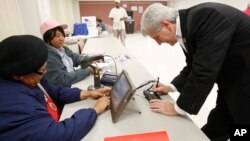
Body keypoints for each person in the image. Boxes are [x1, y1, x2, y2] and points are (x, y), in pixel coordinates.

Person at [141, 2, 250, 141]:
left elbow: (204, 71)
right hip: (233, 81)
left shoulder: (208, 18)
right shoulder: (189, 24)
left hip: (244, 84)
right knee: (215, 128)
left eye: (156, 37)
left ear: (166, 24)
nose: (159, 43)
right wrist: (171, 87)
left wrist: (177, 108)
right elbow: (194, 65)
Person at [0, 35, 110, 141]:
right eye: (42, 70)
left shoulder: (28, 77)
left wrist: (89, 93)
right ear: (19, 75)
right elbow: (57, 136)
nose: (45, 72)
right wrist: (95, 110)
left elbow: (55, 92)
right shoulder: (13, 102)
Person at [40, 19, 92, 87]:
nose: (62, 38)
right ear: (47, 39)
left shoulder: (62, 48)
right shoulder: (48, 55)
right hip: (64, 89)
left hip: (72, 83)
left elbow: (75, 57)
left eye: (62, 35)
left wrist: (91, 59)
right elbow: (62, 79)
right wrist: (87, 70)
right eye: (58, 36)